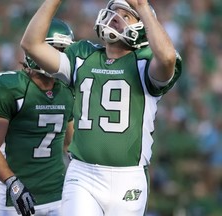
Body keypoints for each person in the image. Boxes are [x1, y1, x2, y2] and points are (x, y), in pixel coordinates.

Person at [20, 0, 182, 215]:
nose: (116, 17)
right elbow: (31, 45)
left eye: (127, 15)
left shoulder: (145, 61)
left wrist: (142, 6)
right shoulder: (82, 55)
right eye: (114, 12)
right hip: (83, 174)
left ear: (142, 27)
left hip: (129, 178)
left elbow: (168, 57)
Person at [0, 18, 75, 216]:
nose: (58, 56)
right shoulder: (10, 87)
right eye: (53, 48)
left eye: (63, 50)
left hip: (59, 196)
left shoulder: (67, 90)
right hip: (16, 199)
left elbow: (71, 145)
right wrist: (13, 184)